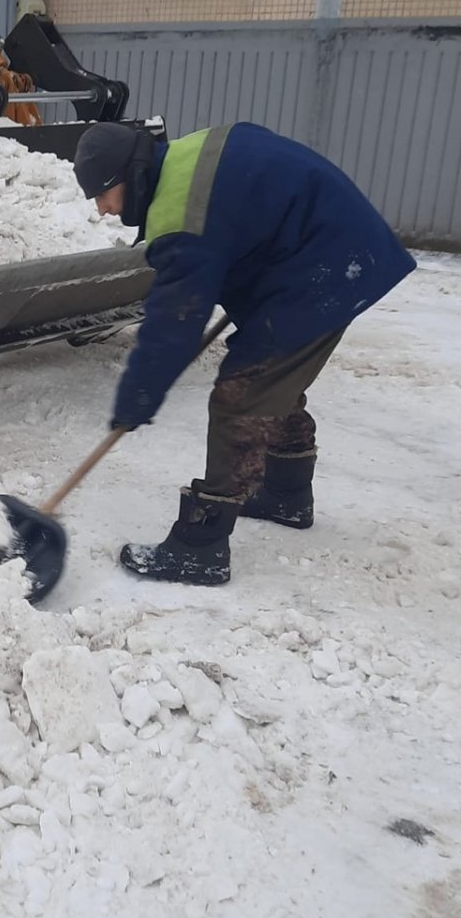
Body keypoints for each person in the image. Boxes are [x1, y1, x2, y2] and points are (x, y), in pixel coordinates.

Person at [72, 121, 416, 586]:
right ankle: (286, 492)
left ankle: (201, 547)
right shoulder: (182, 162)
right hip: (322, 249)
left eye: (103, 194)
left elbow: (173, 324)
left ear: (128, 176)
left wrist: (135, 400)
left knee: (244, 392)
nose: (103, 210)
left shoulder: (180, 217)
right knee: (272, 373)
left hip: (328, 266)